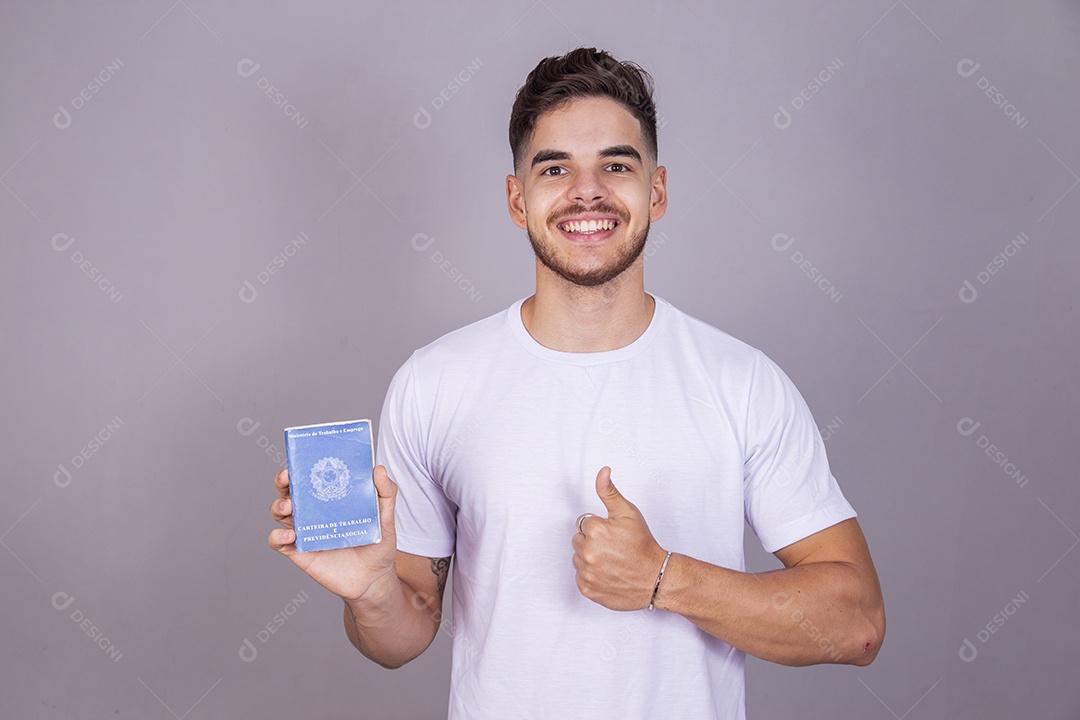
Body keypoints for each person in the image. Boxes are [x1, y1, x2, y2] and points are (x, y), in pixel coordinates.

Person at [270, 47, 885, 719]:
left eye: (615, 166)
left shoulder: (743, 383)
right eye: (554, 168)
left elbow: (855, 623)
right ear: (516, 198)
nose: (585, 192)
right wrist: (374, 593)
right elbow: (401, 638)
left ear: (657, 190)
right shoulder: (434, 384)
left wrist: (664, 580)